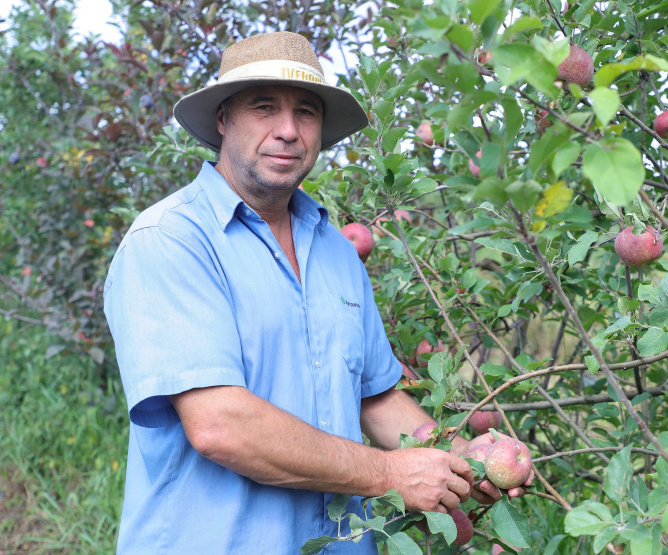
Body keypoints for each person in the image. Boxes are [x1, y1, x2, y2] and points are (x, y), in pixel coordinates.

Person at [104, 31, 531, 554]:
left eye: (305, 112)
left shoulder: (336, 253)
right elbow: (219, 424)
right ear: (223, 119)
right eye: (264, 107)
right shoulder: (171, 241)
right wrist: (388, 474)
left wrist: (460, 460)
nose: (288, 130)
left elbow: (375, 396)